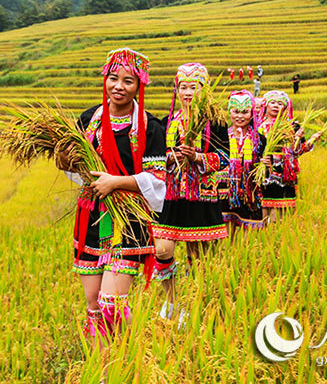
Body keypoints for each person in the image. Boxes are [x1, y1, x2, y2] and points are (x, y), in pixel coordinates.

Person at [56, 47, 166, 344]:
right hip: (92, 218)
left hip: (128, 221)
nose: (119, 86)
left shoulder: (151, 127)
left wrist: (115, 182)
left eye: (128, 81)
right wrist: (63, 160)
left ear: (139, 85)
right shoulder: (89, 119)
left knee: (112, 306)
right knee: (93, 308)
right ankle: (104, 365)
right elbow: (77, 171)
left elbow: (157, 181)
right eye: (113, 78)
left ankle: (134, 351)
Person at [152, 63, 229, 320]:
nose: (187, 92)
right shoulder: (166, 123)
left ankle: (195, 304)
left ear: (204, 90)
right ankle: (172, 301)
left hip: (201, 196)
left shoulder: (215, 123)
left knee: (199, 256)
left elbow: (224, 158)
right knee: (163, 250)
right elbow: (154, 158)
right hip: (172, 197)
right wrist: (170, 158)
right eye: (182, 87)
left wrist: (197, 157)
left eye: (193, 87)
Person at [257, 90, 321, 223]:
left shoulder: (292, 127)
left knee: (278, 217)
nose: (275, 106)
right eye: (272, 102)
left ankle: (276, 238)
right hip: (263, 175)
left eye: (280, 103)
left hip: (283, 176)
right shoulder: (258, 127)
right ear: (266, 106)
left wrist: (307, 140)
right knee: (261, 213)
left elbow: (296, 152)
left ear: (286, 107)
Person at [220, 90, 267, 238]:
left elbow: (266, 170)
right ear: (230, 112)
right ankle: (227, 260)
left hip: (250, 192)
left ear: (252, 113)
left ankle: (244, 259)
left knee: (249, 238)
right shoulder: (222, 137)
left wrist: (265, 164)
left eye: (245, 112)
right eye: (236, 112)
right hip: (225, 192)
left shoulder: (260, 139)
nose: (240, 116)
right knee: (226, 237)